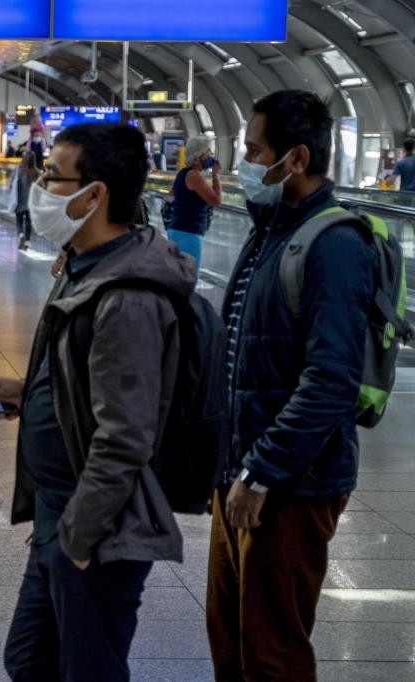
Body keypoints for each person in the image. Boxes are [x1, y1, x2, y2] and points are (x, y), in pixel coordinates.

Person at [0, 122, 189, 682]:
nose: (40, 186)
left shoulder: (127, 296)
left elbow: (125, 433)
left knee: (87, 669)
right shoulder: (85, 267)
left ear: (94, 193)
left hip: (96, 527)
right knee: (31, 662)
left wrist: (80, 532)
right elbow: (95, 383)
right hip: (61, 511)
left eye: (53, 176)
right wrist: (32, 392)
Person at [207, 90, 376, 682]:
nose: (243, 164)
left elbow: (331, 381)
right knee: (231, 641)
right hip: (241, 473)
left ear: (297, 158)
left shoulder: (335, 244)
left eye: (254, 150)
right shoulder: (270, 232)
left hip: (289, 485)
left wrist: (262, 472)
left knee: (272, 652)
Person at [167, 136, 220, 282]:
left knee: (178, 276)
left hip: (177, 229)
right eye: (208, 152)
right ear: (199, 155)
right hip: (188, 232)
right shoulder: (194, 175)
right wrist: (216, 175)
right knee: (188, 279)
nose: (210, 156)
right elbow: (216, 200)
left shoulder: (183, 173)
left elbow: (170, 196)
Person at [11, 150, 40, 250]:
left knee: (19, 221)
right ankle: (27, 242)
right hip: (32, 202)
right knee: (28, 221)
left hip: (19, 201)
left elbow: (11, 185)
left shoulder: (18, 169)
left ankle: (21, 234)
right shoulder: (37, 172)